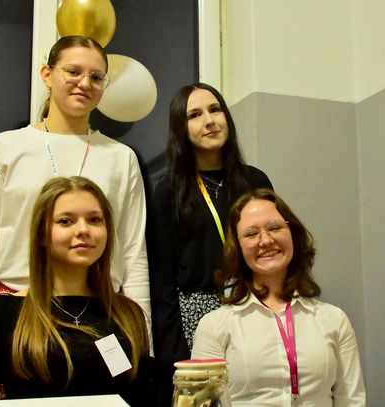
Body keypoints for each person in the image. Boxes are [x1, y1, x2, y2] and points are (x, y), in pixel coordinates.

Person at [0, 36, 150, 353]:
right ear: (47, 74)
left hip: (100, 315)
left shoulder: (122, 157)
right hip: (20, 311)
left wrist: (144, 343)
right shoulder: (4, 148)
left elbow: (133, 255)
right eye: (73, 71)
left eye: (96, 77)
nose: (84, 83)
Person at [0, 176, 154, 405]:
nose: (84, 230)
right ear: (42, 234)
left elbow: (141, 398)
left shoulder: (128, 314)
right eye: (66, 221)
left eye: (94, 219)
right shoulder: (0, 314)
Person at [148, 82, 273, 404]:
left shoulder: (255, 180)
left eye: (215, 110)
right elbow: (162, 279)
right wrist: (174, 351)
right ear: (181, 127)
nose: (209, 121)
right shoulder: (168, 191)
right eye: (195, 115)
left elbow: (272, 249)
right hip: (196, 315)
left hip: (253, 306)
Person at [192, 189, 366, 406]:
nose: (265, 240)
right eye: (251, 234)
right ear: (238, 247)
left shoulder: (334, 319)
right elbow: (201, 402)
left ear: (293, 233)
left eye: (274, 228)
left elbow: (351, 400)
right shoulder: (214, 326)